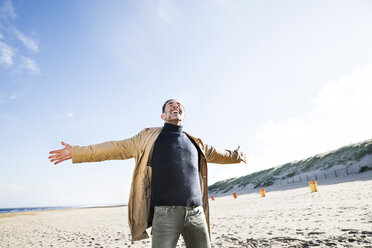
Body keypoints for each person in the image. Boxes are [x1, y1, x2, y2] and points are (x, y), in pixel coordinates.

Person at [49, 99, 247, 248]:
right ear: (163, 116)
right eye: (170, 105)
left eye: (179, 105)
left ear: (184, 115)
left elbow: (221, 154)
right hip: (165, 214)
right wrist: (76, 152)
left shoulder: (196, 143)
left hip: (196, 213)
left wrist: (237, 155)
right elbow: (115, 147)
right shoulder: (147, 138)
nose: (175, 106)